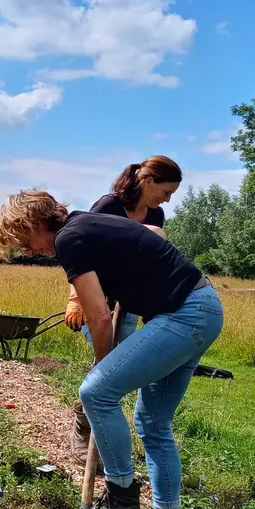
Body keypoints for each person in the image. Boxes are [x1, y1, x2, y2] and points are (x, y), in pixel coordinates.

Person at [0, 190, 223, 509]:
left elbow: (97, 316)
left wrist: (103, 368)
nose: (29, 251)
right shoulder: (87, 226)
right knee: (153, 422)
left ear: (34, 223)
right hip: (202, 309)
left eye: (25, 242)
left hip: (185, 315)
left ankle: (120, 502)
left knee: (96, 392)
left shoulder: (69, 238)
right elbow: (149, 240)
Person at [64, 156, 182, 464]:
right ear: (148, 181)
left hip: (128, 302)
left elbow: (147, 258)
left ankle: (97, 428)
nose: (167, 199)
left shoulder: (155, 214)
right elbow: (79, 249)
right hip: (96, 298)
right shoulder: (109, 205)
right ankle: (83, 427)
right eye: (166, 191)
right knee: (105, 364)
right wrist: (75, 298)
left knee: (117, 366)